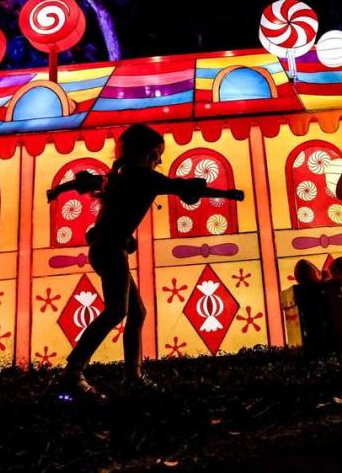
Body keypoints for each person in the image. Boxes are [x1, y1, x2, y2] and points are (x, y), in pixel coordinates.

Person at [46, 124, 244, 399]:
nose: (159, 161)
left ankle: (132, 376)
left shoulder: (119, 175)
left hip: (109, 248)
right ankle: (73, 371)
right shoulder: (141, 177)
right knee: (116, 311)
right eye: (155, 154)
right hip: (111, 250)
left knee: (136, 312)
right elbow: (174, 186)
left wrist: (59, 190)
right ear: (144, 154)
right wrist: (223, 194)